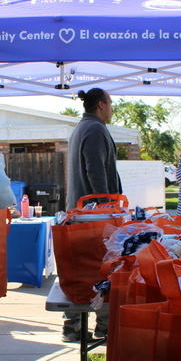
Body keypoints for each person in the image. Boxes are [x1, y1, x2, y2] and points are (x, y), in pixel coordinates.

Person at [63, 88, 121, 342]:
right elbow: (95, 170)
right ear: (101, 104)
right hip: (94, 216)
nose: (112, 109)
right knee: (103, 269)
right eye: (111, 104)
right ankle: (103, 327)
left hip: (81, 213)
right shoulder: (95, 129)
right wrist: (107, 207)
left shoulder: (82, 127)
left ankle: (72, 326)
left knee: (79, 271)